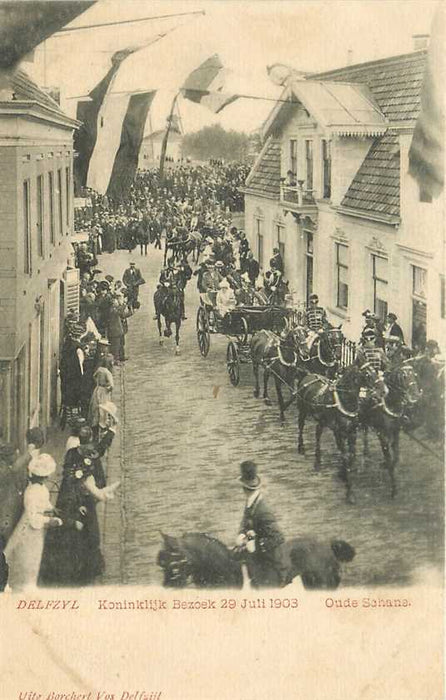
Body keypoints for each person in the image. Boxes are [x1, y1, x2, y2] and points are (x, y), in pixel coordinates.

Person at [39, 428, 119, 587]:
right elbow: (94, 479)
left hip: (71, 499)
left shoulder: (71, 453)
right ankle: (81, 573)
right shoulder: (90, 457)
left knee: (71, 533)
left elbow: (69, 477)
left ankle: (68, 571)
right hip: (80, 501)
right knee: (88, 534)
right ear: (88, 440)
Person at [4, 454, 63, 592]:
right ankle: (23, 587)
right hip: (30, 531)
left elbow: (43, 503)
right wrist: (50, 520)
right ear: (43, 476)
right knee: (28, 559)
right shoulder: (31, 492)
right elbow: (33, 518)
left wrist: (51, 509)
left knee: (34, 558)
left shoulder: (40, 488)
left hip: (36, 529)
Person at [235, 461, 288, 588]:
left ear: (243, 488)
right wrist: (241, 534)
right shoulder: (251, 502)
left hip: (270, 561)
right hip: (256, 555)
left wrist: (256, 543)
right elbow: (246, 522)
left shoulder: (263, 510)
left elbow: (279, 537)